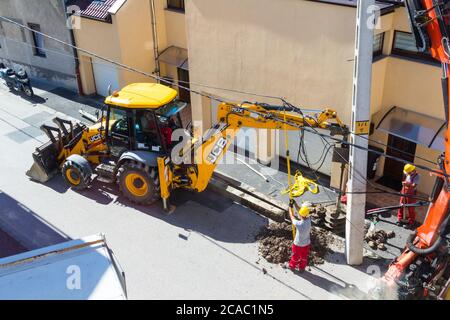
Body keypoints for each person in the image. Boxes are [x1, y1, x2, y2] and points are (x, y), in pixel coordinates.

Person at [287, 200, 312, 273]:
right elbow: (301, 211)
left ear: (300, 215)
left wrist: (290, 207)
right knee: (304, 257)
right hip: (306, 244)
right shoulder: (309, 219)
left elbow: (292, 216)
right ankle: (302, 268)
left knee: (295, 256)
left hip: (297, 244)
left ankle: (292, 266)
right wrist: (295, 203)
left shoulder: (299, 224)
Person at [397, 164, 420, 229]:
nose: (408, 174)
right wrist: (403, 183)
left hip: (411, 193)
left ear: (412, 171)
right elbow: (404, 179)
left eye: (409, 172)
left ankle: (411, 222)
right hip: (404, 190)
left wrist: (407, 184)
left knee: (411, 208)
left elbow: (414, 185)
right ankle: (399, 218)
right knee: (401, 205)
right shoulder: (407, 174)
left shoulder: (417, 176)